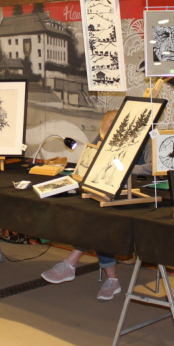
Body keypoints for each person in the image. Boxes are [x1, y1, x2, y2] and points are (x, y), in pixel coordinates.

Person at [40, 110, 154, 300]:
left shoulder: (146, 140)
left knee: (100, 221)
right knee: (94, 218)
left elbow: (152, 167)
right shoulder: (104, 135)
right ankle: (109, 279)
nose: (107, 140)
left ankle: (72, 263)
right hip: (110, 191)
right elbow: (92, 155)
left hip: (140, 196)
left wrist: (123, 167)